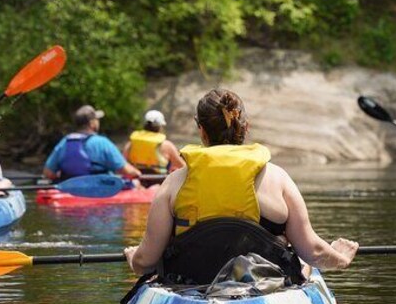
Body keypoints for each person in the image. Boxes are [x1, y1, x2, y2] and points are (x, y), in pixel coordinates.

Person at [123, 89, 358, 285]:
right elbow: (313, 252)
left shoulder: (173, 184)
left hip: (190, 285)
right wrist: (340, 258)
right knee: (305, 264)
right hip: (264, 287)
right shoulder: (278, 179)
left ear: (201, 131)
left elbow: (147, 261)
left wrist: (135, 259)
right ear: (245, 127)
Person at [43, 105, 142, 180]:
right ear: (92, 123)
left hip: (70, 189)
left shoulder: (65, 142)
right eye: (96, 119)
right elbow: (127, 171)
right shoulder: (102, 142)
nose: (98, 122)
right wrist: (137, 173)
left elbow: (48, 173)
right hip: (99, 191)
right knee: (136, 183)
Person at [122, 109, 184, 176]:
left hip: (137, 179)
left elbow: (122, 165)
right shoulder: (166, 145)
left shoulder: (130, 144)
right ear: (160, 127)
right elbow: (182, 166)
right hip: (158, 181)